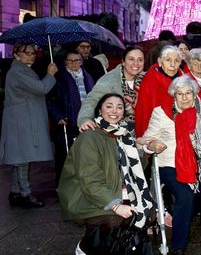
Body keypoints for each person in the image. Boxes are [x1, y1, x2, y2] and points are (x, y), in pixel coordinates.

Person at [58, 94, 160, 255]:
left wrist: (140, 147)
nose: (114, 111)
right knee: (115, 219)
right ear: (100, 110)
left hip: (116, 191)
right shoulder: (89, 137)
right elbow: (90, 179)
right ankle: (87, 250)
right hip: (87, 196)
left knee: (146, 212)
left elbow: (137, 168)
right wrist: (115, 204)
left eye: (119, 107)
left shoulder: (123, 134)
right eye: (109, 106)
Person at [144, 75, 201, 255]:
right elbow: (146, 139)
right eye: (179, 94)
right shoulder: (162, 112)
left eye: (188, 93)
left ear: (195, 93)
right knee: (185, 196)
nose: (184, 98)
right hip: (172, 165)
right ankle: (178, 245)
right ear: (173, 95)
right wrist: (152, 145)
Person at [0, 44, 57, 208]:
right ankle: (25, 193)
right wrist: (50, 74)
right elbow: (42, 88)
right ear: (16, 55)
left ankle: (16, 192)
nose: (32, 56)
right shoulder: (18, 71)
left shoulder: (20, 70)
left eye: (33, 53)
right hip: (21, 120)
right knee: (23, 157)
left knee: (21, 157)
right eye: (27, 53)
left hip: (22, 119)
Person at [47, 50, 95, 185]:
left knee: (85, 155)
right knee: (65, 156)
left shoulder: (88, 76)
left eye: (77, 60)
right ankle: (63, 186)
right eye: (70, 60)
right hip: (66, 122)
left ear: (81, 62)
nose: (74, 63)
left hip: (86, 121)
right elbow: (50, 100)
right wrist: (57, 116)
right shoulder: (58, 77)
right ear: (65, 62)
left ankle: (84, 184)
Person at [77, 46, 146, 133]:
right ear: (123, 62)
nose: (136, 63)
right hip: (115, 132)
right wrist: (84, 119)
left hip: (143, 130)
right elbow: (92, 100)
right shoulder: (109, 80)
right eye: (131, 59)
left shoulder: (147, 79)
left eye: (140, 60)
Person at [134, 45, 184, 137]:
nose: (172, 65)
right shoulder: (151, 80)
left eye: (176, 61)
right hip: (158, 133)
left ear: (180, 62)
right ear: (160, 62)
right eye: (168, 60)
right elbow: (146, 112)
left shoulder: (184, 79)